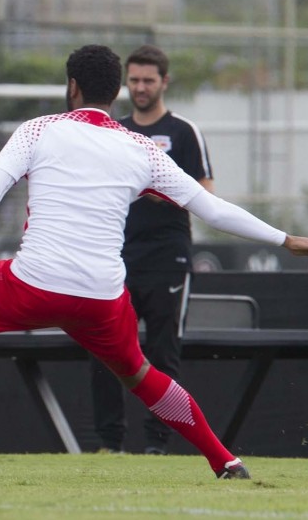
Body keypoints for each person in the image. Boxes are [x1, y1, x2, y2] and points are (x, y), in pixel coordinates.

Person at [0, 44, 308, 479]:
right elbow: (212, 208)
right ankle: (225, 459)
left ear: (72, 87)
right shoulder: (141, 149)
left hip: (36, 284)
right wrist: (286, 238)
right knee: (142, 376)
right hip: (102, 298)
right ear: (117, 92)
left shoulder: (39, 130)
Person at [90, 44, 213, 455]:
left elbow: (205, 194)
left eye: (148, 80)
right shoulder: (114, 131)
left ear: (165, 82)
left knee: (162, 352)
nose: (140, 88)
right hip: (114, 255)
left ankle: (157, 443)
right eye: (135, 79)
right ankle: (109, 443)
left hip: (168, 256)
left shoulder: (183, 132)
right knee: (107, 347)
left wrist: (163, 190)